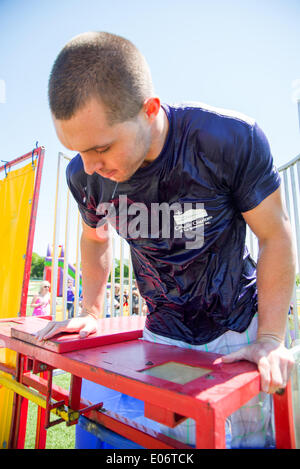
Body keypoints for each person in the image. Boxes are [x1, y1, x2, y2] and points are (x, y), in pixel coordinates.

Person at [35, 32, 296, 448]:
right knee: (176, 445)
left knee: (254, 442)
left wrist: (270, 338)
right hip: (163, 332)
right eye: (77, 150)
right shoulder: (85, 174)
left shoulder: (227, 139)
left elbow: (275, 234)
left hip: (237, 326)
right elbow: (94, 237)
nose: (90, 166)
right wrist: (91, 308)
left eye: (101, 147)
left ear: (150, 109)